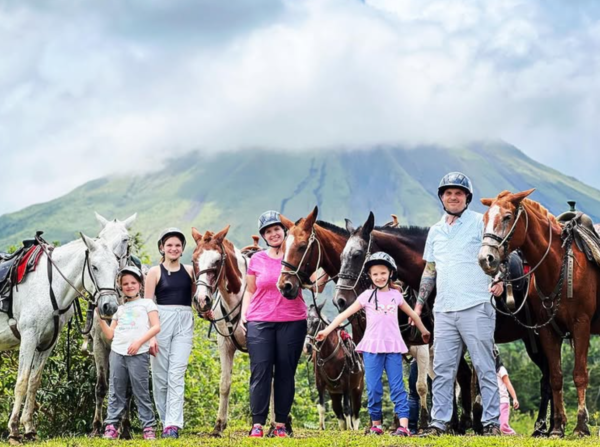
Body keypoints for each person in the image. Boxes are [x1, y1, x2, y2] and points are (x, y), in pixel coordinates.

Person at [413, 172, 504, 436]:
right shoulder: (435, 230)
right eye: (448, 193)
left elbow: (499, 253)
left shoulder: (481, 221)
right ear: (441, 197)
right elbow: (430, 269)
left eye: (459, 193)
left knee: (484, 366)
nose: (453, 197)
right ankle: (439, 423)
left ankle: (491, 423)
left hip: (477, 304)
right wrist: (419, 305)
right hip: (443, 309)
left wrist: (499, 279)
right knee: (442, 369)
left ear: (467, 197)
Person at [316, 252, 431, 437]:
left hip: (393, 348)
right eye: (375, 274)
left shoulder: (396, 295)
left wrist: (424, 331)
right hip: (371, 349)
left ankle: (404, 426)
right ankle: (376, 424)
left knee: (397, 387)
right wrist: (327, 330)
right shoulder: (366, 296)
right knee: (374, 387)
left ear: (391, 273)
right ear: (369, 276)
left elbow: (413, 315)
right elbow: (343, 316)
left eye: (383, 273)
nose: (379, 277)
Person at [240, 210, 307, 438]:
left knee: (286, 373)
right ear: (264, 236)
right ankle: (257, 424)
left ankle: (280, 424)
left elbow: (315, 285)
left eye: (277, 229)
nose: (273, 233)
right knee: (260, 372)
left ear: (284, 231)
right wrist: (244, 314)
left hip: (293, 320)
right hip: (260, 320)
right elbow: (250, 290)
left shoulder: (296, 255)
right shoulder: (256, 259)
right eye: (268, 231)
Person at [99, 266, 160, 440]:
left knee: (141, 391)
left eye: (133, 282)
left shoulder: (147, 304)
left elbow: (156, 326)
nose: (129, 286)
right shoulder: (120, 309)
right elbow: (111, 334)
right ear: (120, 286)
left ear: (140, 284)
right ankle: (111, 426)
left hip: (139, 353)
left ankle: (148, 427)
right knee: (115, 391)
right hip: (117, 353)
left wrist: (140, 342)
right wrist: (100, 318)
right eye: (125, 283)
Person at [144, 228, 195, 439]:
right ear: (162, 248)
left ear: (182, 249)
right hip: (160, 321)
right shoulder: (154, 272)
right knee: (160, 375)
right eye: (169, 245)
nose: (174, 248)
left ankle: (173, 424)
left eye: (177, 245)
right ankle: (165, 420)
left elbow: (197, 298)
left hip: (184, 321)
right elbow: (147, 305)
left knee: (177, 373)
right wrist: (151, 335)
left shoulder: (191, 271)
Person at [495, 350, 519, 435]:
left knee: (503, 426)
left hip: (503, 401)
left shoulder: (501, 370)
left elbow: (508, 384)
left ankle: (514, 435)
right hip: (493, 402)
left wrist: (515, 398)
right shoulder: (490, 371)